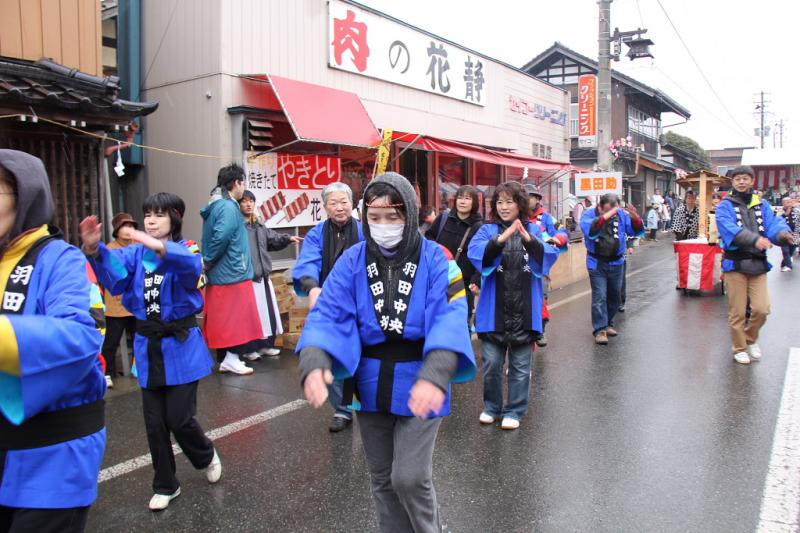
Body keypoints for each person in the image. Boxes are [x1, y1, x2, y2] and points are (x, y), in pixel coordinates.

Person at [298, 172, 476, 533]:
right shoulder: (352, 260)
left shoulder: (438, 259)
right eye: (375, 218)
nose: (383, 226)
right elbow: (329, 311)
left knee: (409, 477)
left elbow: (451, 316)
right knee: (381, 479)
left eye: (392, 217)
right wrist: (314, 359)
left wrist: (437, 372)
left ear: (409, 214)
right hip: (369, 380)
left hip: (421, 377)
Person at [81, 193, 221, 511]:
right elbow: (115, 281)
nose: (151, 220)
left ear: (175, 218)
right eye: (147, 214)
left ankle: (205, 453)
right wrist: (93, 249)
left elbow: (191, 269)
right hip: (148, 346)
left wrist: (155, 245)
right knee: (155, 422)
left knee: (180, 419)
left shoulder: (187, 250)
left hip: (181, 344)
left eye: (159, 215)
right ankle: (166, 484)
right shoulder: (133, 254)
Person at [0, 150, 105, 533]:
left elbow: (83, 336)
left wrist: (96, 252)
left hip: (53, 451)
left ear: (26, 195)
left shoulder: (62, 259)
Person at [468, 181, 559, 430]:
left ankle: (515, 411)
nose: (504, 207)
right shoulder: (487, 231)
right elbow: (476, 254)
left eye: (509, 201)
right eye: (499, 202)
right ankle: (492, 407)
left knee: (520, 367)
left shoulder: (535, 229)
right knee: (492, 366)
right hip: (492, 311)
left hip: (525, 311)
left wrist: (529, 240)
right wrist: (501, 239)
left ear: (520, 203)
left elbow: (549, 256)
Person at [293, 182, 364, 433]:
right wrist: (312, 286)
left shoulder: (365, 230)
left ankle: (366, 402)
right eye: (333, 203)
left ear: (352, 203)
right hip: (330, 302)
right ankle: (342, 409)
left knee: (364, 354)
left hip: (362, 301)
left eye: (344, 202)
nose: (339, 207)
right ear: (324, 207)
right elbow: (308, 261)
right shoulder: (316, 234)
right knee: (332, 353)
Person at [715, 166, 794, 365]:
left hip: (758, 264)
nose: (741, 182)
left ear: (751, 181)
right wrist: (754, 240)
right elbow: (728, 228)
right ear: (732, 182)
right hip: (735, 263)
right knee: (738, 312)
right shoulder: (725, 206)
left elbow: (774, 224)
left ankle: (749, 339)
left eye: (745, 178)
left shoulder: (763, 205)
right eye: (737, 179)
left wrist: (783, 235)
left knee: (762, 309)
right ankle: (739, 347)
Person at [201, 163, 263, 375]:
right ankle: (232, 358)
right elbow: (222, 237)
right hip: (233, 271)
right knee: (237, 319)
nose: (243, 187)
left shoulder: (217, 205)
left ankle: (228, 358)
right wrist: (208, 259)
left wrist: (208, 262)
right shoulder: (228, 207)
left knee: (225, 319)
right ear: (236, 183)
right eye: (242, 182)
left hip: (223, 272)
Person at [238, 190, 301, 359]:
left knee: (266, 313)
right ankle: (249, 348)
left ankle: (265, 345)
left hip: (262, 275)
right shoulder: (237, 226)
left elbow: (271, 239)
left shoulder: (258, 224)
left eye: (251, 201)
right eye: (244, 201)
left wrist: (287, 239)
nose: (249, 204)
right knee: (251, 315)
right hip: (247, 277)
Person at [581, 193, 644, 345]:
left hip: (617, 262)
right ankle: (600, 330)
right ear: (600, 207)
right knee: (600, 296)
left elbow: (634, 231)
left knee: (615, 296)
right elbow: (589, 230)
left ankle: (608, 322)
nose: (611, 214)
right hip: (597, 263)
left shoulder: (621, 214)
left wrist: (635, 217)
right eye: (607, 210)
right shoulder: (589, 214)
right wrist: (608, 214)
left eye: (613, 210)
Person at [426, 184, 483, 324]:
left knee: (460, 325)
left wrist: (476, 281)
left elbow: (481, 256)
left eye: (467, 198)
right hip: (437, 280)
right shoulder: (443, 218)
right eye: (460, 198)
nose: (462, 201)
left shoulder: (479, 227)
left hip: (463, 286)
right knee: (435, 322)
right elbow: (428, 238)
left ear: (474, 202)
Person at [524, 183, 568, 347]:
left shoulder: (547, 218)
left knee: (540, 297)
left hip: (539, 267)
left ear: (537, 199)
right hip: (517, 265)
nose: (527, 200)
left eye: (530, 196)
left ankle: (540, 331)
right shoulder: (516, 216)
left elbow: (562, 232)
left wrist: (557, 240)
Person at [100, 212, 139, 388]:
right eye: (125, 226)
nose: (128, 229)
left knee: (141, 337)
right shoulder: (110, 248)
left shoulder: (139, 245)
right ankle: (106, 372)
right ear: (117, 230)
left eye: (131, 226)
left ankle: (139, 368)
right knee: (111, 341)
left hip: (136, 301)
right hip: (116, 303)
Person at [779, 196, 799, 272]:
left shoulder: (796, 211)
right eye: (787, 202)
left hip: (795, 234)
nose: (789, 204)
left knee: (791, 250)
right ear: (783, 203)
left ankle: (784, 263)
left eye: (790, 202)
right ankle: (788, 266)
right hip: (783, 233)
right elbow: (777, 219)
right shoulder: (779, 210)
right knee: (785, 250)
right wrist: (785, 214)